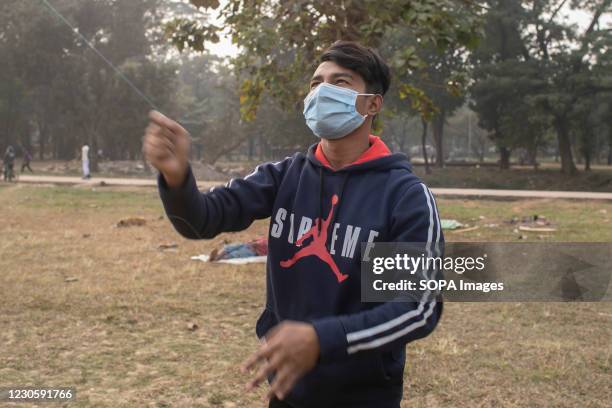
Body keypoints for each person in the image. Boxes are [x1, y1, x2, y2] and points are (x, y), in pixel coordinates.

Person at [143, 41, 443, 408]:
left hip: (363, 397)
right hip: (286, 390)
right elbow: (202, 220)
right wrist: (177, 180)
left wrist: (323, 338)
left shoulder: (403, 196)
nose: (321, 92)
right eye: (316, 83)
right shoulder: (284, 176)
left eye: (340, 82)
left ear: (372, 104)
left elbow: (418, 306)